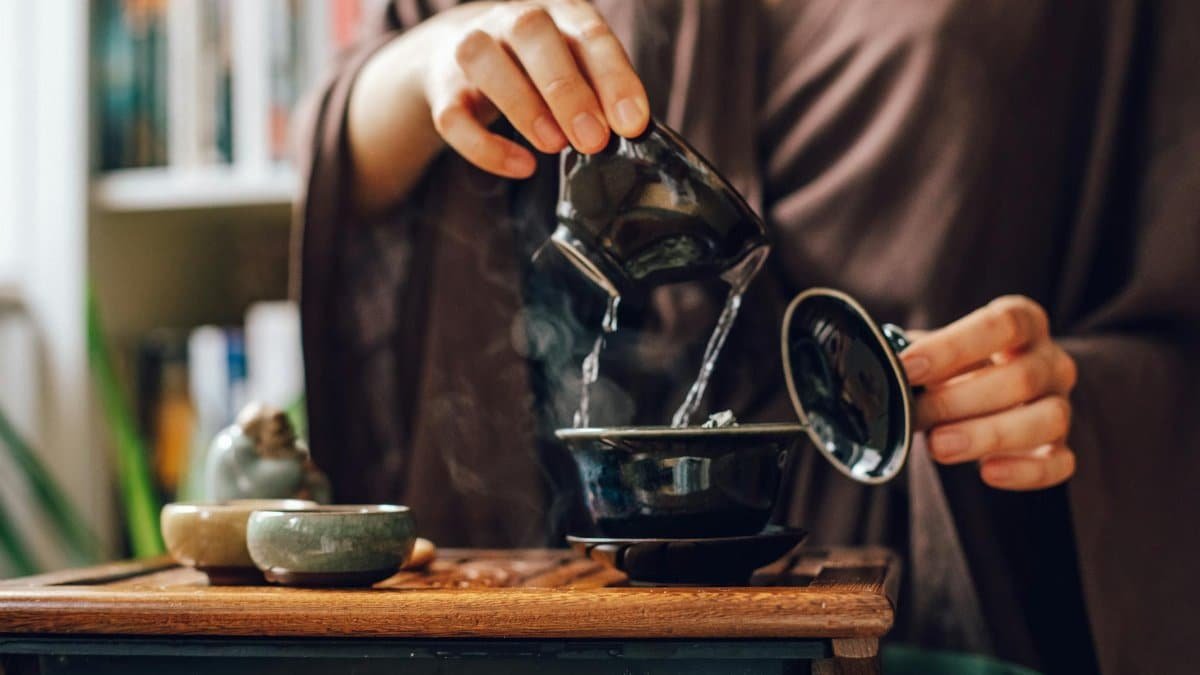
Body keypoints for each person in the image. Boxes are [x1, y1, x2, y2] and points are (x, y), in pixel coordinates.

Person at [293, 1, 1200, 673]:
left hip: (941, 575)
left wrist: (1077, 390)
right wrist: (426, 67)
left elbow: (1173, 273)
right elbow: (349, 171)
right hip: (564, 577)